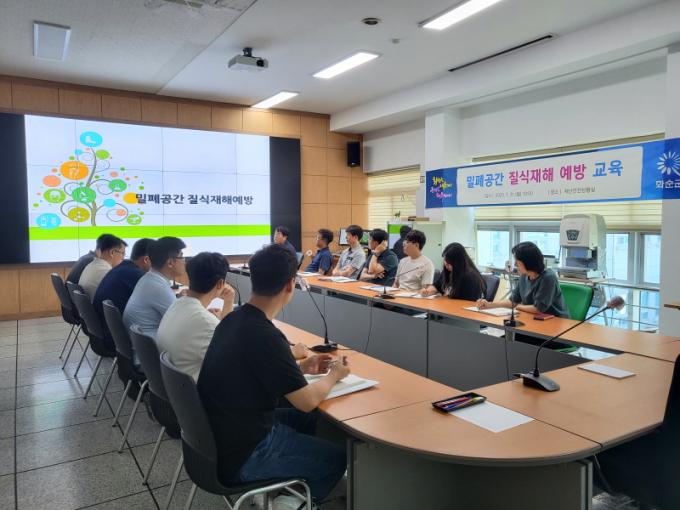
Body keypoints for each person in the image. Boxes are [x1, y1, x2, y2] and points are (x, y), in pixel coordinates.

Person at [198, 245, 349, 507]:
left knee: (309, 420)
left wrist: (300, 368)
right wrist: (335, 374)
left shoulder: (233, 320)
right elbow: (306, 401)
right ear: (290, 285)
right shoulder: (265, 334)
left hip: (219, 438)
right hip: (245, 453)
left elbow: (252, 371)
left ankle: (288, 480)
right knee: (336, 458)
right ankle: (288, 502)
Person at [157, 252, 235, 381]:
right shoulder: (207, 323)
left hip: (173, 385)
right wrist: (228, 303)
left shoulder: (177, 304)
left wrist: (227, 303)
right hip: (196, 390)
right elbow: (233, 360)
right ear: (221, 283)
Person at [477, 241, 569, 317]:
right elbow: (512, 301)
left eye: (517, 261)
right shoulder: (524, 276)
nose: (515, 264)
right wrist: (490, 305)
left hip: (555, 322)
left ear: (527, 262)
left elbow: (538, 309)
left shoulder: (548, 277)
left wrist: (519, 307)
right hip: (534, 318)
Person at [93, 238, 153, 348]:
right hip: (115, 339)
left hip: (103, 332)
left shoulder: (123, 268)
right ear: (146, 259)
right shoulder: (135, 274)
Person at [123, 236, 186, 339]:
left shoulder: (150, 279)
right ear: (170, 262)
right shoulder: (157, 286)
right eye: (181, 256)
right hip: (151, 346)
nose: (184, 261)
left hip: (142, 342)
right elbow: (183, 322)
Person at [421, 242, 487, 301]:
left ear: (458, 262)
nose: (446, 265)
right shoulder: (448, 271)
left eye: (449, 263)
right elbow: (437, 285)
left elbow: (467, 302)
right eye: (445, 261)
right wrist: (428, 291)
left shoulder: (470, 277)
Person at [78, 235, 127, 300]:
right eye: (122, 253)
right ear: (112, 253)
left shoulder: (91, 265)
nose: (123, 258)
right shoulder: (107, 272)